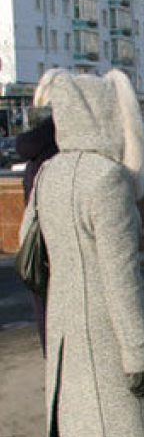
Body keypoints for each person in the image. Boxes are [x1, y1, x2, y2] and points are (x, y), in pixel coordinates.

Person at [22, 68, 144, 437]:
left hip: (64, 321)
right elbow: (121, 276)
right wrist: (139, 351)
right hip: (102, 328)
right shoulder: (106, 181)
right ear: (105, 115)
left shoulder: (51, 175)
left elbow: (30, 247)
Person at [15, 110, 58, 353]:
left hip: (37, 248)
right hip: (54, 249)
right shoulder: (56, 154)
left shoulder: (34, 156)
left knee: (44, 315)